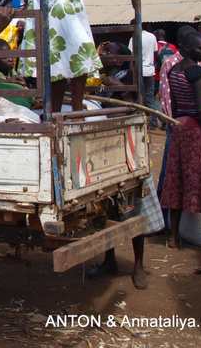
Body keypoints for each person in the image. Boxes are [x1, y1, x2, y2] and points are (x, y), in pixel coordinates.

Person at [85, 42, 164, 290]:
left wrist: (122, 90)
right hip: (107, 151)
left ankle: (138, 265)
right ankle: (109, 259)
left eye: (108, 53)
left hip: (130, 151)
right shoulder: (99, 79)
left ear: (120, 61)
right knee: (106, 209)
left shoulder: (130, 78)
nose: (103, 55)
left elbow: (143, 108)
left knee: (134, 207)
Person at [160, 29, 201, 250]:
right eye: (200, 48)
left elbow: (174, 105)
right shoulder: (197, 73)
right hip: (197, 132)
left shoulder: (174, 70)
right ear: (186, 49)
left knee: (176, 181)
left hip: (179, 130)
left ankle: (174, 237)